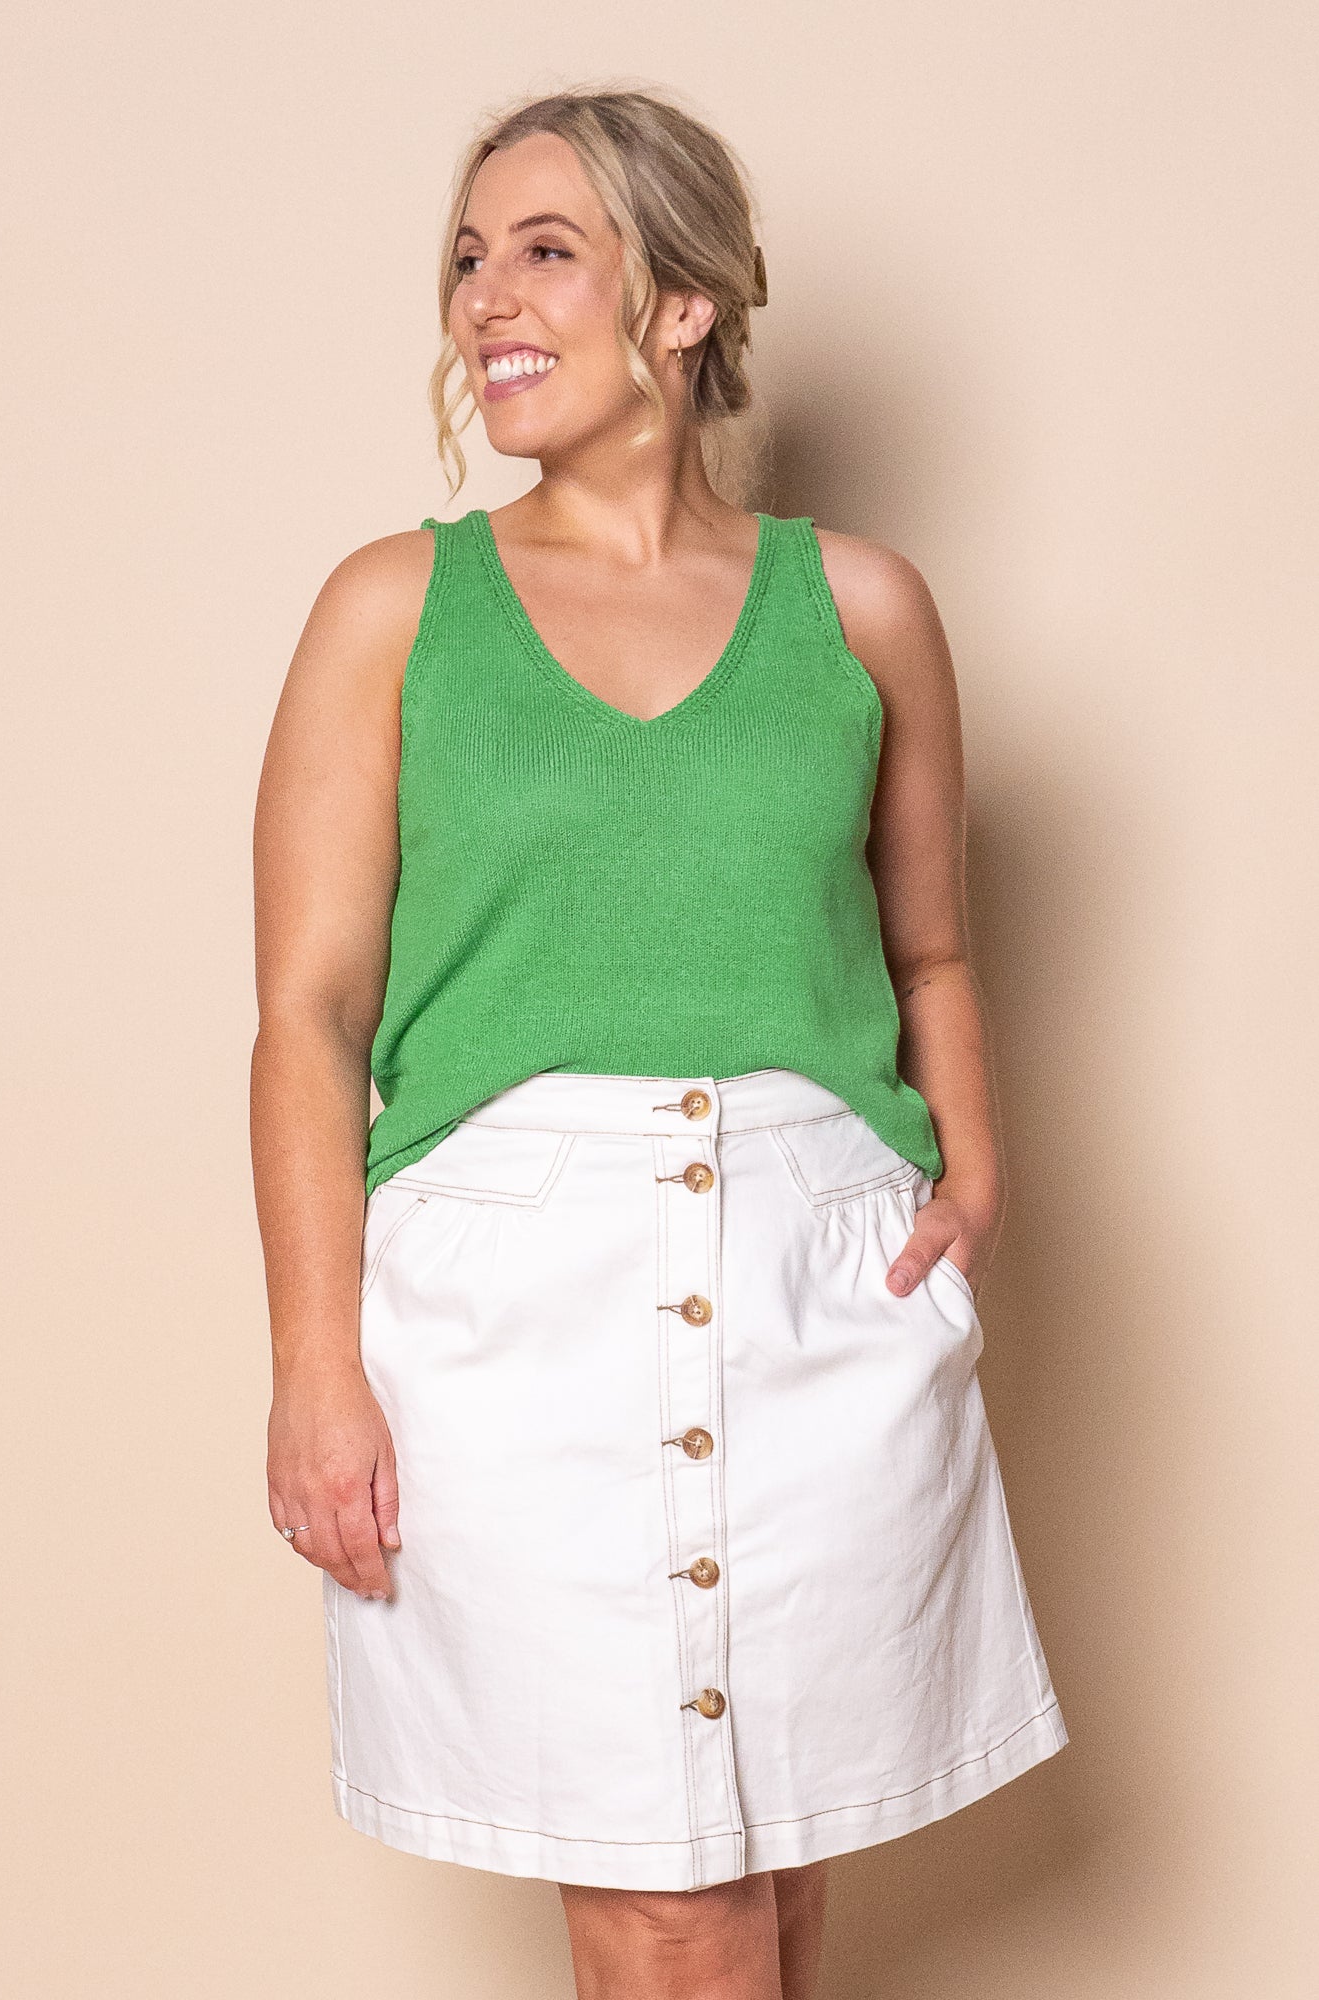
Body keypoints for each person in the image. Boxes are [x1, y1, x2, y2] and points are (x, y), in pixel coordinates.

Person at [251, 83, 1067, 2000]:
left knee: (768, 1873)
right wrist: (313, 1364)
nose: (484, 297)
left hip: (819, 1287)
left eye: (546, 250)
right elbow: (307, 1015)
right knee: (670, 1906)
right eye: (469, 257)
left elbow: (932, 946)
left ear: (682, 301)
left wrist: (971, 1177)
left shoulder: (861, 609)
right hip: (508, 1316)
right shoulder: (393, 609)